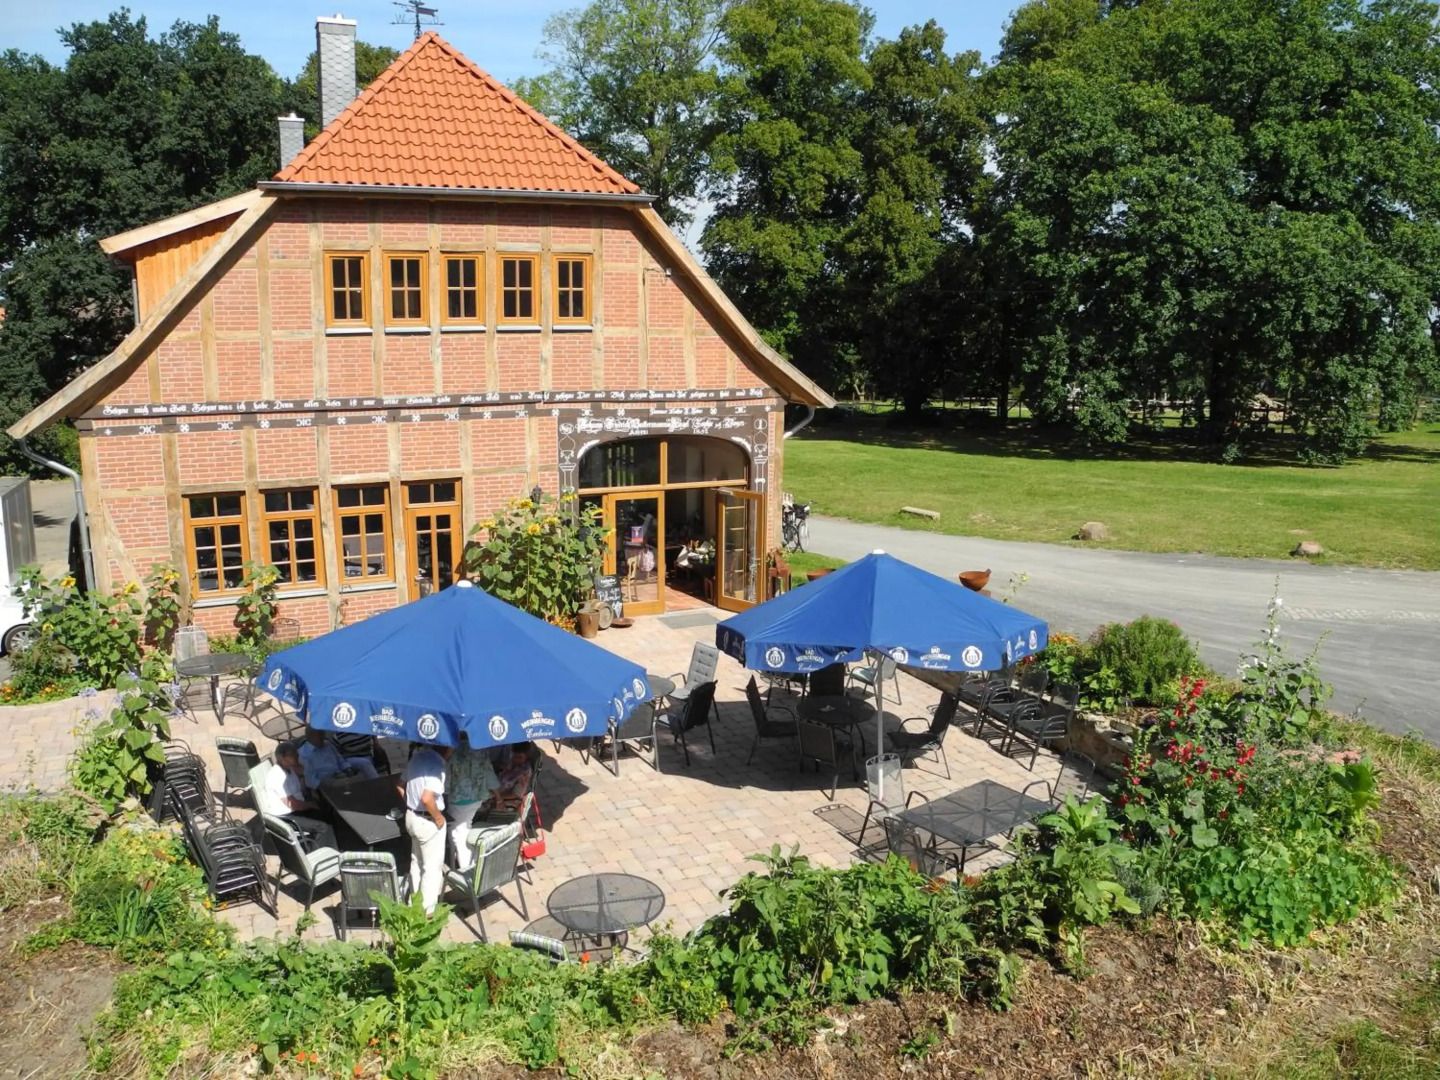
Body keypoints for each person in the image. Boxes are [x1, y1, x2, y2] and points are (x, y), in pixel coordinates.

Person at [401, 742, 452, 914]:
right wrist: (438, 817)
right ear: (447, 747)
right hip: (427, 821)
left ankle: (413, 903)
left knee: (416, 862)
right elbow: (427, 797)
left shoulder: (417, 757)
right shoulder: (438, 765)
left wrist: (410, 803)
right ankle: (427, 912)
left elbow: (400, 785)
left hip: (411, 817)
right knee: (432, 868)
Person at [259, 740, 337, 850]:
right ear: (283, 758)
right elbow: (292, 804)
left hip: (296, 809)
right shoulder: (278, 776)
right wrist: (311, 804)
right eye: (293, 755)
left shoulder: (290, 769)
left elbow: (301, 790)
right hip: (285, 816)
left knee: (327, 812)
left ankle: (332, 849)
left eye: (297, 754)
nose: (297, 757)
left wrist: (301, 775)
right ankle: (316, 853)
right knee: (322, 827)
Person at [445, 733, 499, 872]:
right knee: (463, 827)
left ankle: (468, 869)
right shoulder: (479, 748)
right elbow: (489, 772)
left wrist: (441, 793)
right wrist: (498, 796)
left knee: (459, 833)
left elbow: (446, 774)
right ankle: (459, 860)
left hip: (458, 798)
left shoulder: (451, 750)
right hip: (477, 796)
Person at [299, 726, 379, 789]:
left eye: (322, 734)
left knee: (364, 769)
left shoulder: (327, 745)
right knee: (357, 782)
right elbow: (310, 781)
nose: (322, 737)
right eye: (319, 735)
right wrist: (325, 785)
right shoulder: (304, 754)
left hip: (339, 774)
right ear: (310, 737)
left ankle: (378, 787)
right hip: (326, 781)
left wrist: (347, 769)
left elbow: (340, 760)